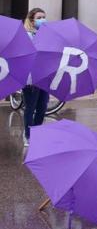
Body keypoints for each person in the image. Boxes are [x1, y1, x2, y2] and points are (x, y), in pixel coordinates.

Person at [21, 8, 49, 147]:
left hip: (44, 77)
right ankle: (28, 135)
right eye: (39, 17)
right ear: (32, 20)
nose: (42, 20)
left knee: (42, 107)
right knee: (30, 108)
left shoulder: (47, 36)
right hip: (30, 79)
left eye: (44, 17)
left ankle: (36, 133)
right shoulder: (26, 36)